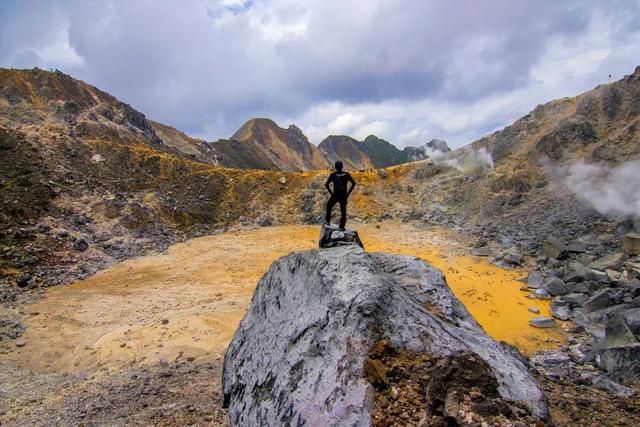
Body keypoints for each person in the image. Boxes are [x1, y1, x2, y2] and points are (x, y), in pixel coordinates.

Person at [324, 160, 356, 230]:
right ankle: (342, 226)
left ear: (335, 167)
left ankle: (328, 220)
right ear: (342, 167)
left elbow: (326, 185)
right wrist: (348, 193)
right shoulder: (346, 174)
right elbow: (353, 183)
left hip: (335, 195)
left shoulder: (333, 175)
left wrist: (331, 194)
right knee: (343, 210)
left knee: (329, 206)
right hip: (343, 196)